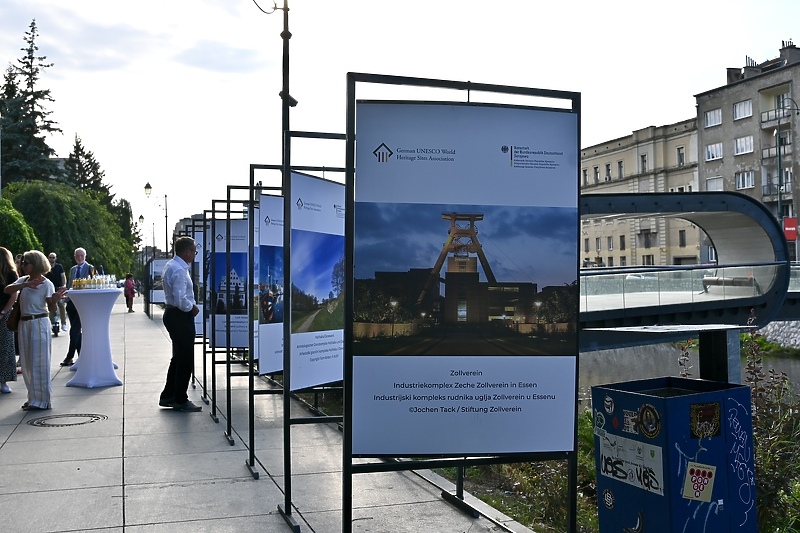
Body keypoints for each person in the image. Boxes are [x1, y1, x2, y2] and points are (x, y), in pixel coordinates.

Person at [4, 250, 67, 410]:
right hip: (24, 324)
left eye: (26, 263)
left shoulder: (46, 284)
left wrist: (54, 300)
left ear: (36, 264)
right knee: (26, 363)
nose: (23, 265)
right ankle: (32, 397)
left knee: (39, 362)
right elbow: (7, 290)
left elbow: (51, 308)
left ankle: (42, 400)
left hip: (39, 322)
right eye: (22, 262)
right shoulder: (23, 280)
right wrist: (24, 285)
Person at [159, 237, 201, 412]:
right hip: (180, 315)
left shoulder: (171, 265)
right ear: (187, 252)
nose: (194, 255)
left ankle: (169, 394)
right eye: (194, 251)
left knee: (178, 357)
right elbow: (179, 298)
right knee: (185, 359)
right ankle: (180, 398)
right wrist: (191, 308)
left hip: (172, 315)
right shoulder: (180, 270)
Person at [61, 247, 94, 367]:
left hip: (83, 304)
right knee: (76, 331)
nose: (79, 258)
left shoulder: (90, 268)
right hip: (72, 303)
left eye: (81, 256)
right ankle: (81, 356)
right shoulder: (73, 269)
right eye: (77, 256)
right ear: (74, 257)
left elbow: (95, 283)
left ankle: (69, 356)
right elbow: (70, 285)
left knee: (74, 330)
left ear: (85, 256)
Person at [0, 247, 19, 394]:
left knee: (6, 348)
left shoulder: (11, 274)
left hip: (5, 314)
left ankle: (3, 381)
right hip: (4, 312)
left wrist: (3, 312)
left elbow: (13, 296)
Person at [45, 252, 67, 333]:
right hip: (49, 289)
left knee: (61, 305)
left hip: (58, 288)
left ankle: (64, 323)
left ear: (56, 258)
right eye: (50, 257)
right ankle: (51, 323)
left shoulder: (59, 266)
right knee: (51, 305)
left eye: (53, 257)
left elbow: (63, 277)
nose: (51, 259)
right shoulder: (46, 267)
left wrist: (64, 285)